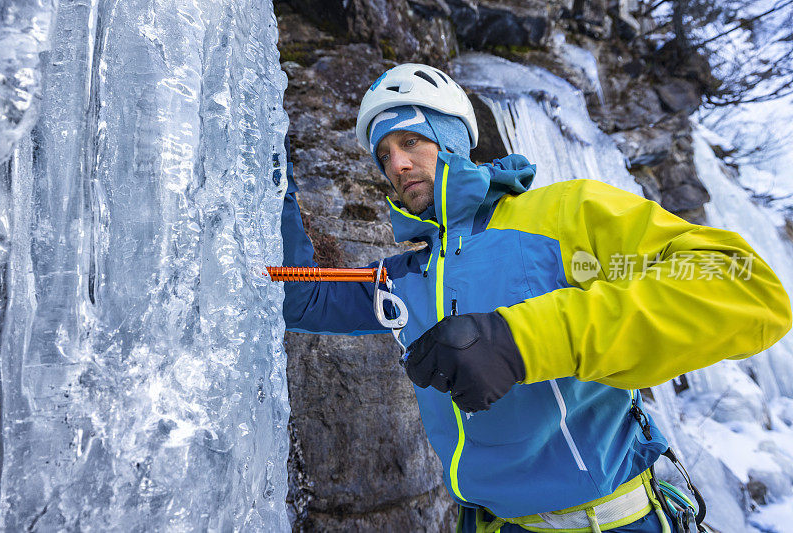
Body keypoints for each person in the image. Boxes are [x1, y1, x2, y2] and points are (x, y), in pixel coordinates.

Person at [280, 63, 792, 533]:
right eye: (384, 155)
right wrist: (271, 175)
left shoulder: (564, 215)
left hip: (607, 523)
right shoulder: (410, 274)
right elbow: (302, 300)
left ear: (454, 138)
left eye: (412, 140)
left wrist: (522, 341)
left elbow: (743, 285)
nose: (398, 165)